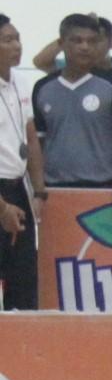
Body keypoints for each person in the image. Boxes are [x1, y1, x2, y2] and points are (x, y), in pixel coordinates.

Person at [29, 14, 112, 204]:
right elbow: (36, 144)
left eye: (92, 41)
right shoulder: (42, 87)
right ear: (62, 43)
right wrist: (38, 189)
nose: (85, 47)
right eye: (77, 40)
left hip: (106, 187)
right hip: (54, 189)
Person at [0, 16, 36, 309]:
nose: (16, 46)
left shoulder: (21, 82)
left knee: (23, 276)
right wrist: (3, 208)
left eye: (17, 38)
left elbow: (31, 137)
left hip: (18, 187)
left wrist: (40, 191)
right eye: (7, 40)